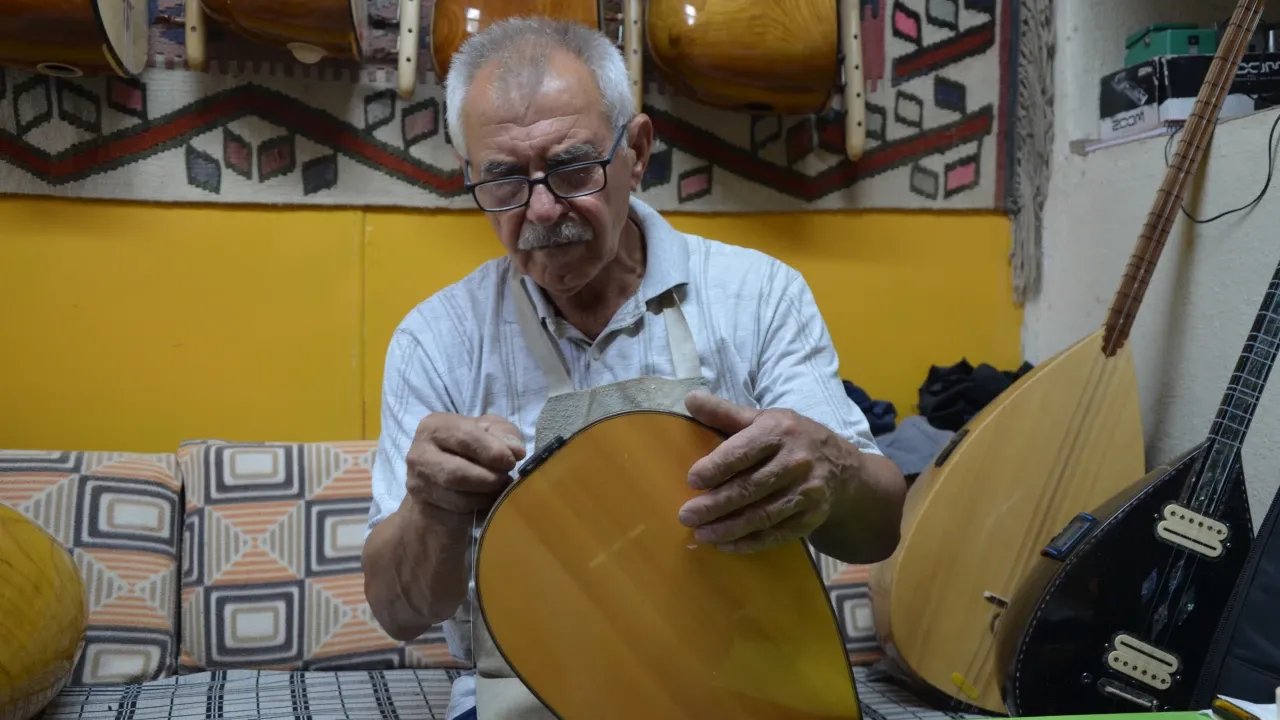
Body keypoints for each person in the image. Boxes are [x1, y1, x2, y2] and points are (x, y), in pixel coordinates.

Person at [361, 16, 908, 720]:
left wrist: (829, 466)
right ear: (469, 177)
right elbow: (398, 613)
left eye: (572, 166)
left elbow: (879, 529)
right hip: (527, 699)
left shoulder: (756, 295)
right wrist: (432, 510)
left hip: (749, 690)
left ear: (637, 151)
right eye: (502, 181)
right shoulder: (438, 338)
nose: (543, 208)